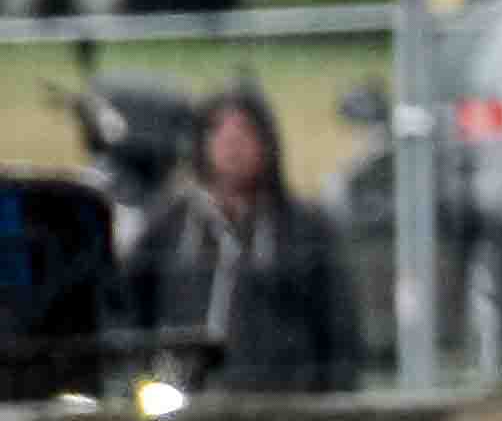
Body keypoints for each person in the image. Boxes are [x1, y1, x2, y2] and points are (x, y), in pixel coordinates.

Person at [125, 82, 357, 398]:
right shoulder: (170, 226)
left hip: (282, 405)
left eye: (245, 131)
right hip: (184, 404)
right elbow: (129, 311)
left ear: (266, 142)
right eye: (217, 130)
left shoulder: (306, 229)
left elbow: (339, 333)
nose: (231, 143)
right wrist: (144, 381)